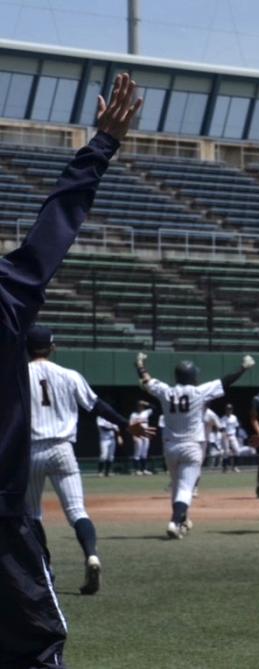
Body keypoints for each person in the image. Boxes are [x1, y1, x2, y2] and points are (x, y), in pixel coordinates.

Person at [0, 72, 140, 668]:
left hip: (23, 470)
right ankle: (90, 551)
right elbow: (52, 229)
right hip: (10, 502)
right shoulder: (6, 295)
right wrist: (100, 147)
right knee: (34, 646)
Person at [26, 325, 153, 596]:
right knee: (77, 511)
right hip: (63, 449)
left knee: (32, 515)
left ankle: (45, 570)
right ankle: (91, 555)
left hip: (32, 450)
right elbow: (97, 406)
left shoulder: (18, 376)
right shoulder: (69, 375)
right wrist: (126, 425)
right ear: (53, 348)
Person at [137, 354, 253, 538]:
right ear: (192, 376)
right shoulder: (199, 392)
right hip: (192, 446)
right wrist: (243, 369)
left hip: (170, 447)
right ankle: (175, 522)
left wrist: (140, 365)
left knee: (177, 487)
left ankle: (182, 520)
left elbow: (146, 380)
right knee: (185, 488)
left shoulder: (166, 391)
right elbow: (225, 382)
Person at [129, 400, 154, 475]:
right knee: (137, 452)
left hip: (146, 434)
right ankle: (137, 470)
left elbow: (154, 408)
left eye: (141, 406)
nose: (140, 407)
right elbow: (131, 425)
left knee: (144, 452)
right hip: (138, 434)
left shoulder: (146, 412)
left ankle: (144, 469)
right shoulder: (133, 414)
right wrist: (133, 435)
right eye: (139, 406)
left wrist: (146, 403)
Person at [221, 404, 241, 473]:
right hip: (225, 435)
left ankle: (235, 467)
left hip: (233, 435)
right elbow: (222, 428)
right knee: (226, 452)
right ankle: (225, 468)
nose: (229, 410)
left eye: (230, 409)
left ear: (232, 410)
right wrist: (224, 435)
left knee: (237, 450)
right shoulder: (223, 418)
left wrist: (237, 436)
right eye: (227, 409)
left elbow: (237, 427)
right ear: (225, 410)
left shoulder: (234, 417)